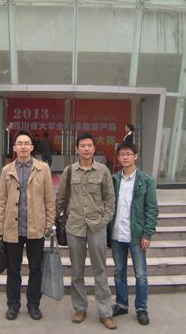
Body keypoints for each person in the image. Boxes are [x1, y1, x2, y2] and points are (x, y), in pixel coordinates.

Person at [55, 132, 116, 330]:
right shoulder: (69, 171)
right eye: (83, 145)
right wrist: (53, 219)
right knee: (77, 271)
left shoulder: (103, 171)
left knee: (101, 270)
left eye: (90, 145)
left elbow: (110, 199)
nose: (87, 148)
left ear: (94, 148)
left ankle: (105, 312)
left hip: (97, 227)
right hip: (74, 227)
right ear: (77, 149)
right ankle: (80, 308)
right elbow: (60, 198)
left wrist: (104, 221)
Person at [0, 130, 55, 321]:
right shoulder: (7, 170)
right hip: (12, 229)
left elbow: (49, 199)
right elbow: (2, 201)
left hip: (36, 229)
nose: (23, 146)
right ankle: (13, 305)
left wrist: (50, 224)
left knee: (35, 269)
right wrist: (0, 227)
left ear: (31, 147)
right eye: (19, 143)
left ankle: (34, 305)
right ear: (14, 147)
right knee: (13, 270)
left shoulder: (42, 168)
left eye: (26, 143)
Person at [109, 142, 158, 326]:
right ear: (118, 157)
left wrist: (148, 233)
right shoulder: (114, 179)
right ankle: (121, 304)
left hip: (137, 236)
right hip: (117, 234)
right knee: (119, 272)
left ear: (136, 156)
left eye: (128, 154)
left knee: (141, 274)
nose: (125, 157)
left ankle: (141, 308)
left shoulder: (146, 180)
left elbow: (152, 209)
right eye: (122, 154)